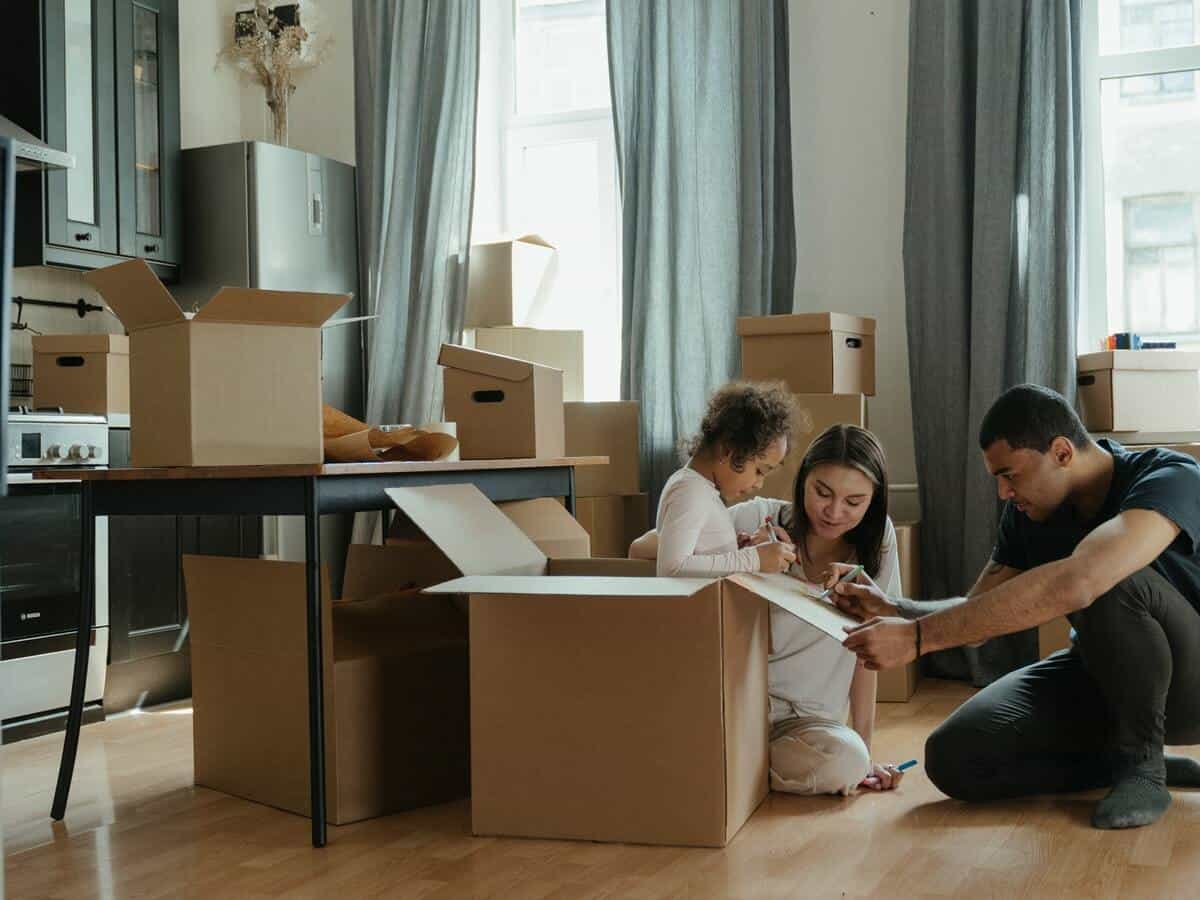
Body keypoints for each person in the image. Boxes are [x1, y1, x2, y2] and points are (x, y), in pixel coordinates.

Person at [829, 384, 1200, 829]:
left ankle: (1143, 766)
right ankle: (1118, 761)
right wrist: (897, 608)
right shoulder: (1028, 513)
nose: (1004, 493)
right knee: (954, 757)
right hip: (1104, 675)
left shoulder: (1169, 476)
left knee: (1110, 578)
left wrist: (917, 639)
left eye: (1011, 475)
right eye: (998, 480)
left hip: (1191, 684)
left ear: (1062, 452)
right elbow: (979, 612)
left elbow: (1082, 580)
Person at [634, 422, 908, 795]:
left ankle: (725, 767)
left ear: (873, 501)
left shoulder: (880, 544)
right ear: (802, 482)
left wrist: (865, 751)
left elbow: (869, 651)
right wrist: (744, 553)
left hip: (808, 725)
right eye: (822, 492)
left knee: (848, 761)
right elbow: (643, 549)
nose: (833, 511)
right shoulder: (759, 517)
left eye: (854, 502)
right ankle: (729, 764)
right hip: (737, 708)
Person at [653, 381, 798, 577]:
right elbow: (671, 568)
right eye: (759, 471)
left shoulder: (701, 490)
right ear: (727, 449)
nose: (759, 483)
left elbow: (699, 557)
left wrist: (734, 550)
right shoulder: (690, 491)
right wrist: (753, 559)